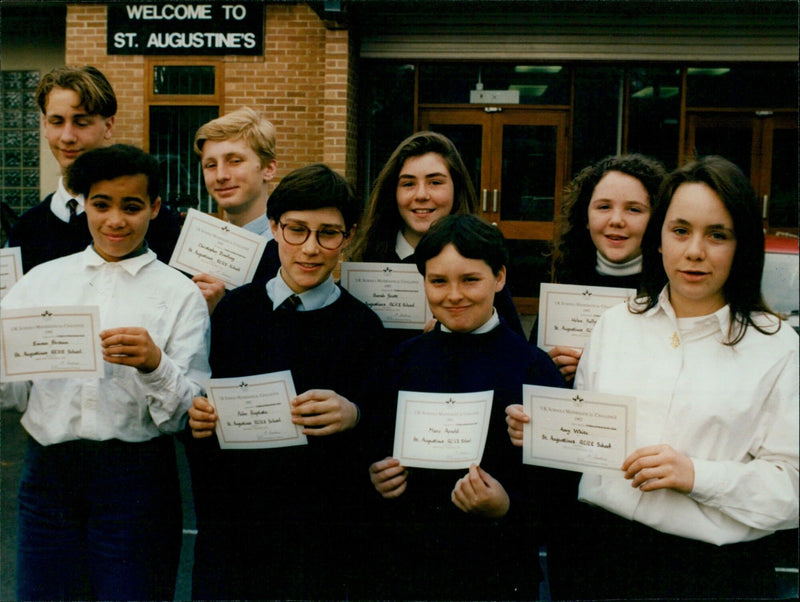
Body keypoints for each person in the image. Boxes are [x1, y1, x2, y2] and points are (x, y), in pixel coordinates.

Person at [507, 156, 799, 599]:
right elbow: (589, 445)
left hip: (714, 576)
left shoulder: (778, 347)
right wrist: (542, 430)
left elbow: (792, 487)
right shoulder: (614, 325)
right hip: (600, 561)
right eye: (680, 230)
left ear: (742, 245)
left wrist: (696, 474)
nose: (695, 250)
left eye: (717, 235)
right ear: (659, 239)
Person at [0, 144, 211, 600]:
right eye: (101, 205)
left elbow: (187, 415)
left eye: (132, 207)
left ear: (155, 208)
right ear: (85, 205)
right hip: (49, 480)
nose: (116, 220)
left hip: (135, 481)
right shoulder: (41, 282)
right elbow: (12, 393)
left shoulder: (180, 294)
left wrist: (155, 364)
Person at [185, 163, 384, 600]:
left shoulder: (364, 327)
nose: (310, 249)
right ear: (274, 228)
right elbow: (203, 411)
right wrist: (197, 420)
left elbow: (379, 429)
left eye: (327, 233)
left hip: (320, 538)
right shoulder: (233, 312)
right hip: (237, 531)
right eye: (297, 230)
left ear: (347, 237)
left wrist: (355, 415)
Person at [366, 214, 564, 600]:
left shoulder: (534, 369)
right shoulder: (401, 361)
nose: (453, 295)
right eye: (438, 281)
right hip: (406, 569)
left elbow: (557, 490)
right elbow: (371, 438)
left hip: (495, 572)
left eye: (470, 280)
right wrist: (374, 474)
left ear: (500, 278)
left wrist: (508, 506)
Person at [347, 131, 524, 348]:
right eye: (408, 184)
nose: (421, 195)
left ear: (456, 187)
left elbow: (513, 350)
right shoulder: (365, 264)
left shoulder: (480, 262)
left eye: (435, 182)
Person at [8, 65, 179, 273]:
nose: (67, 137)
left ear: (108, 126)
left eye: (81, 123)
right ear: (44, 125)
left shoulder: (155, 225)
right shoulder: (26, 229)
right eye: (57, 122)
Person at [532, 153, 667, 382]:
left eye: (634, 209)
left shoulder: (670, 293)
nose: (616, 220)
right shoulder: (565, 288)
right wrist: (548, 367)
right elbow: (530, 377)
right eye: (604, 207)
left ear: (656, 219)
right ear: (585, 216)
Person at [190, 107, 280, 313]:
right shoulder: (199, 250)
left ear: (269, 169)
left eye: (235, 161)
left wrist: (225, 309)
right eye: (210, 165)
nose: (221, 175)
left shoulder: (290, 250)